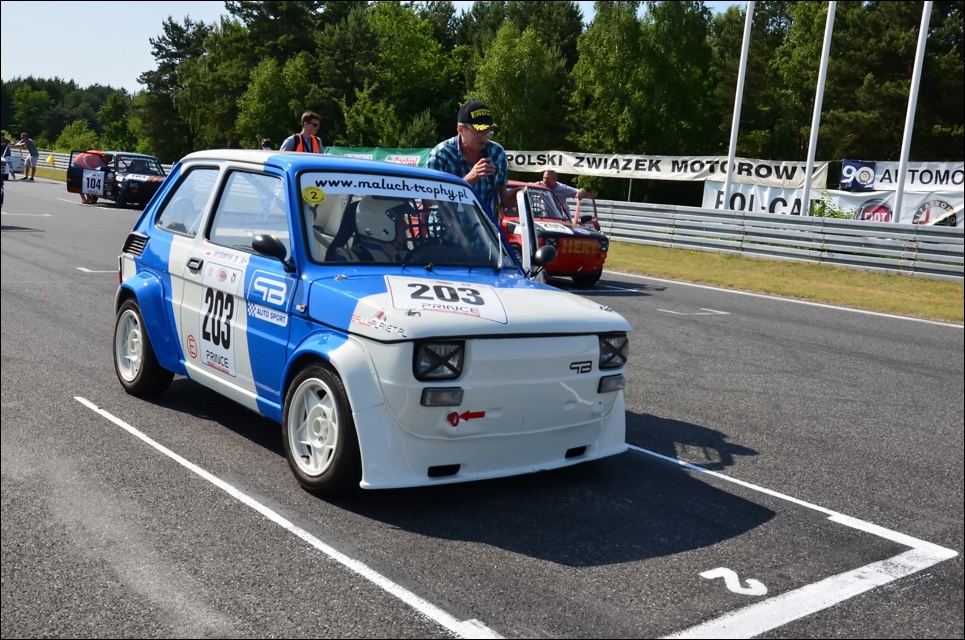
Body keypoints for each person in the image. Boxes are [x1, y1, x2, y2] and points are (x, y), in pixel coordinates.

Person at [427, 99, 518, 218]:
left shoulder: (496, 153)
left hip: (482, 228)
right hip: (447, 228)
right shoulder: (441, 155)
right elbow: (429, 201)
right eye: (479, 131)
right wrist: (466, 182)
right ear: (460, 129)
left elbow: (503, 198)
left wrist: (520, 195)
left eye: (488, 131)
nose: (484, 137)